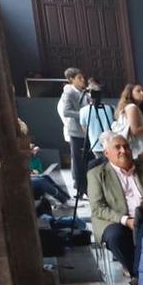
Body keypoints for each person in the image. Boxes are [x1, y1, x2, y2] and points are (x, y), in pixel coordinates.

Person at [88, 133, 143, 278]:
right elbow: (98, 207)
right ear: (107, 153)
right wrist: (126, 220)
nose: (123, 151)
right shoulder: (96, 174)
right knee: (116, 236)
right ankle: (137, 274)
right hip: (114, 220)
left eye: (126, 147)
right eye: (117, 147)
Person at [58, 67, 91, 196]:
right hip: (76, 132)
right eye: (79, 78)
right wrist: (83, 114)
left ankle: (88, 187)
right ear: (71, 80)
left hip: (86, 131)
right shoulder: (69, 93)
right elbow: (66, 111)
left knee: (88, 160)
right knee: (78, 162)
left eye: (83, 77)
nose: (83, 80)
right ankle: (81, 188)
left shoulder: (84, 92)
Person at [115, 83, 143, 151]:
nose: (142, 93)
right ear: (130, 93)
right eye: (138, 91)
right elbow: (135, 130)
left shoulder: (138, 108)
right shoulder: (132, 107)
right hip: (139, 149)